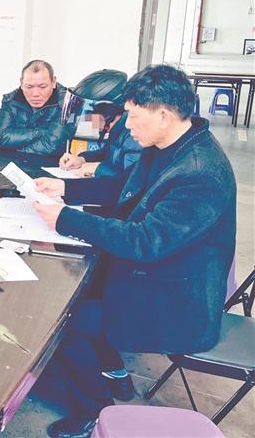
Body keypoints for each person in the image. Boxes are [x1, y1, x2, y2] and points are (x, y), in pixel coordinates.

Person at [32, 65, 236, 438]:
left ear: (164, 115)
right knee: (70, 295)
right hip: (162, 278)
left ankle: (92, 412)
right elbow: (125, 188)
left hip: (179, 304)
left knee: (62, 324)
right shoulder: (170, 146)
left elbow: (144, 242)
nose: (126, 125)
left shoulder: (200, 174)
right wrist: (66, 190)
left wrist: (66, 220)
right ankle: (109, 370)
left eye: (133, 116)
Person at [58, 69, 142, 177]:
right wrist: (81, 159)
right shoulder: (117, 128)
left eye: (92, 114)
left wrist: (97, 168)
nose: (88, 120)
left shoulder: (133, 135)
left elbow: (130, 179)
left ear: (108, 113)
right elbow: (105, 154)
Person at [0, 59, 73, 155]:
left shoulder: (66, 103)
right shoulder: (10, 100)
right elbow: (2, 138)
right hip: (13, 162)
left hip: (52, 163)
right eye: (29, 87)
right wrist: (39, 132)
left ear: (53, 82)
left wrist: (16, 148)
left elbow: (52, 146)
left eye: (42, 87)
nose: (35, 94)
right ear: (21, 83)